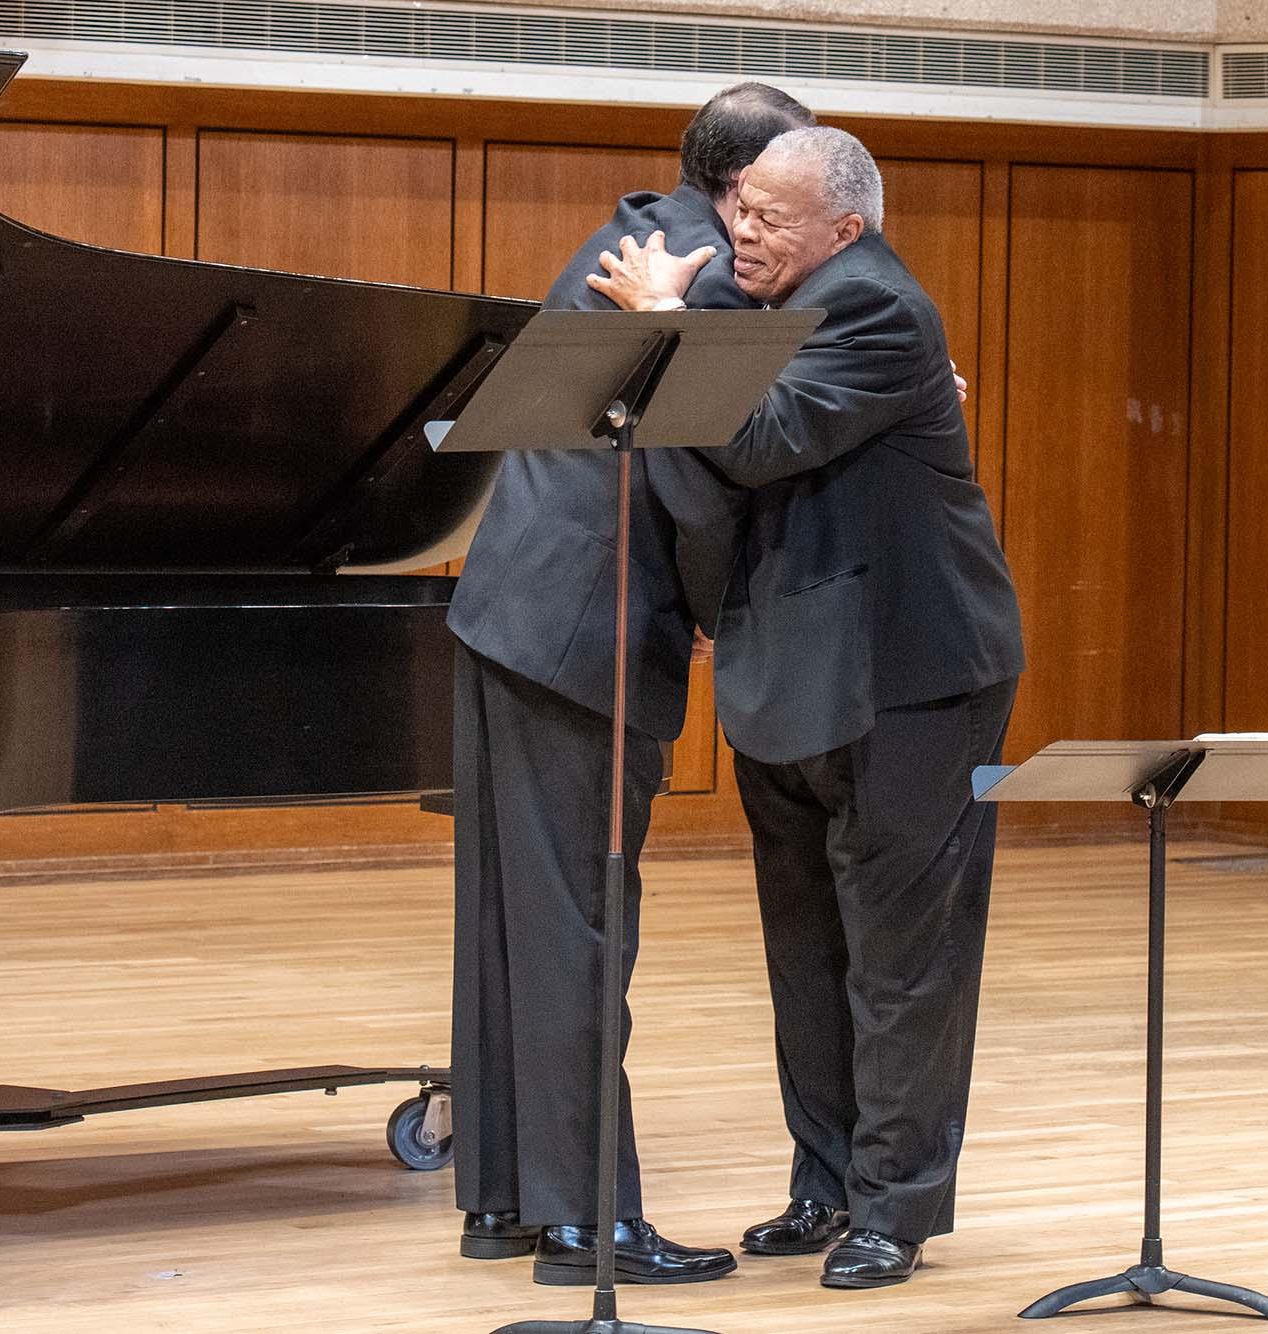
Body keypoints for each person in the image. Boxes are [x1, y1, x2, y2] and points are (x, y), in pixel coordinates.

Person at [590, 126, 1025, 1289]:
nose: (741, 233)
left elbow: (763, 436)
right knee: (804, 947)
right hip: (792, 670)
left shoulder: (876, 303)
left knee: (900, 954)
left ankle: (895, 1206)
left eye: (770, 218)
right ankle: (823, 1184)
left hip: (909, 672)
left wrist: (657, 327)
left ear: (846, 228)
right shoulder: (766, 298)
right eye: (737, 208)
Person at [446, 82, 813, 1288]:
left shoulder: (637, 235)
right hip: (576, 636)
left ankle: (510, 1201)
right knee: (580, 928)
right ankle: (586, 1224)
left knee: (521, 928)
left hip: (517, 616)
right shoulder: (691, 276)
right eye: (785, 191)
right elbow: (701, 479)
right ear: (746, 187)